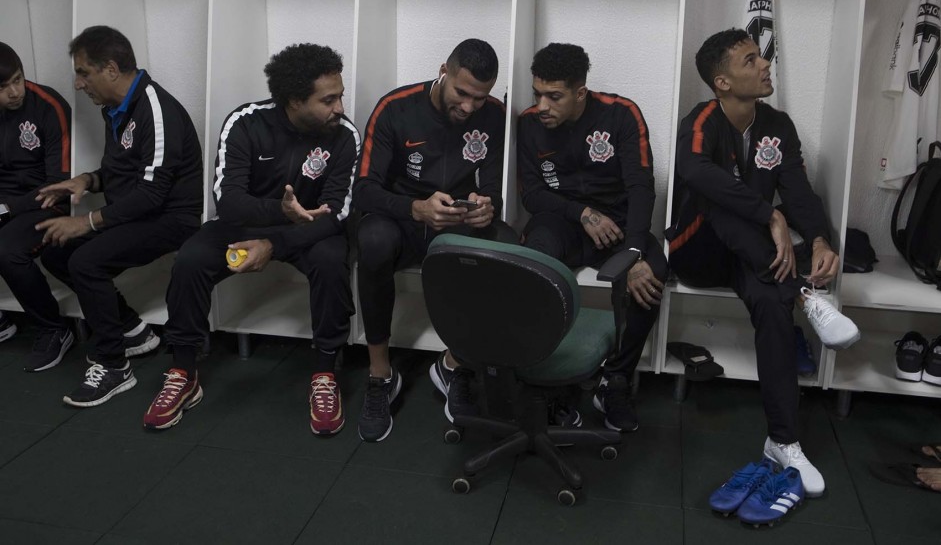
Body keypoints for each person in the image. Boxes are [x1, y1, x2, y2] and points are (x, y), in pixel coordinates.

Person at [666, 28, 860, 497]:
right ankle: (807, 295)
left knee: (774, 306)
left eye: (761, 57)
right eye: (750, 60)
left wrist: (817, 239)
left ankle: (783, 441)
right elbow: (694, 173)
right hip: (698, 249)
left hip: (751, 254)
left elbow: (795, 189)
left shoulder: (778, 124)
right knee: (718, 199)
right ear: (722, 82)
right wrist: (766, 212)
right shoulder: (702, 120)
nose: (765, 64)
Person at [144, 44, 359, 433]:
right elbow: (228, 203)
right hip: (246, 227)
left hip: (308, 233)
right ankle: (183, 369)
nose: (340, 107)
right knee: (191, 259)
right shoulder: (244, 122)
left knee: (331, 260)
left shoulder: (344, 136)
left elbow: (336, 215)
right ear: (294, 100)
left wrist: (276, 244)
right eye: (329, 99)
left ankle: (326, 372)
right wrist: (279, 213)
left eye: (340, 95)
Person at [353, 38, 513, 442]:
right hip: (401, 217)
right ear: (444, 70)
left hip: (453, 218)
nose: (470, 106)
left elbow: (493, 185)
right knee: (371, 241)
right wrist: (415, 208)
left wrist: (485, 205)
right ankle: (379, 374)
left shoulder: (493, 115)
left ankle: (454, 365)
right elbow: (364, 190)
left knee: (504, 244)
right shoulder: (396, 107)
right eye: (462, 93)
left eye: (481, 97)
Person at [36, 25, 202, 407]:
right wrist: (88, 180)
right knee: (55, 251)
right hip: (138, 213)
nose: (78, 84)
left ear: (111, 69)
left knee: (86, 259)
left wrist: (87, 221)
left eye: (84, 73)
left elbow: (152, 192)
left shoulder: (157, 110)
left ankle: (112, 365)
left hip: (171, 219)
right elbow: (126, 171)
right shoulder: (115, 107)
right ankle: (133, 331)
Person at [516, 43, 665, 432]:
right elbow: (531, 194)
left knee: (652, 275)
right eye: (537, 94)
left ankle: (615, 380)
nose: (542, 105)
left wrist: (632, 254)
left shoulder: (622, 114)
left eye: (554, 96)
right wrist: (581, 213)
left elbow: (640, 187)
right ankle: (548, 377)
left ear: (580, 92)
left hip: (615, 227)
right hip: (562, 221)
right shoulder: (529, 124)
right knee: (535, 264)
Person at [0, 42, 72, 369]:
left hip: (47, 203)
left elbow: (58, 184)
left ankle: (53, 328)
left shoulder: (47, 104)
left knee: (7, 250)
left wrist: (7, 209)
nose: (14, 92)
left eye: (17, 79)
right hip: (6, 204)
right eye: (2, 87)